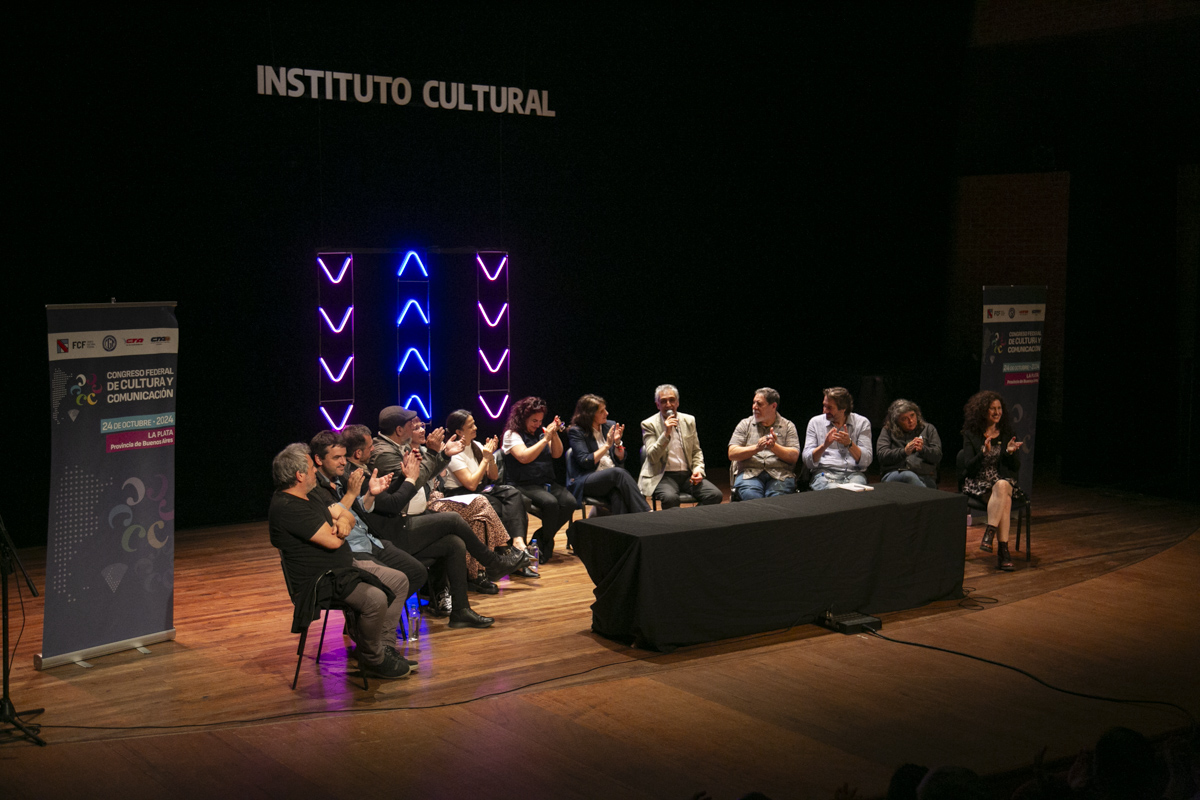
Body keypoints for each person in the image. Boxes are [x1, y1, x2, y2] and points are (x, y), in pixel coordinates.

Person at [364, 405, 530, 626]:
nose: (415, 427)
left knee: (454, 543)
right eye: (411, 424)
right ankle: (493, 562)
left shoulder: (396, 446)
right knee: (453, 519)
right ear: (399, 430)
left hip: (405, 520)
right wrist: (435, 453)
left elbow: (421, 476)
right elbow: (414, 481)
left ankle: (461, 611)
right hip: (393, 530)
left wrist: (441, 455)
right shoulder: (384, 453)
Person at [268, 443, 410, 679]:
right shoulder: (288, 507)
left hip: (343, 568)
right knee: (375, 599)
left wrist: (343, 521)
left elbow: (345, 514)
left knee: (398, 580)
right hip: (320, 580)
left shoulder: (310, 494)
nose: (315, 471)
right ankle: (374, 658)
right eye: (311, 468)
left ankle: (384, 648)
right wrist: (342, 523)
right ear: (299, 475)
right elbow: (334, 542)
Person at [502, 396, 579, 562]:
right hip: (522, 483)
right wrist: (545, 439)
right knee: (550, 503)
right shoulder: (512, 434)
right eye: (534, 421)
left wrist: (554, 434)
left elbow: (557, 454)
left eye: (540, 421)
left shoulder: (541, 431)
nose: (537, 424)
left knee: (570, 502)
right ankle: (543, 546)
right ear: (523, 418)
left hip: (544, 481)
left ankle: (540, 539)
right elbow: (524, 457)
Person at [958, 390, 1024, 571]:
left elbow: (1015, 467)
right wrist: (982, 453)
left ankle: (990, 532)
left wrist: (1009, 452)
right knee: (1005, 500)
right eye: (992, 409)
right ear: (983, 411)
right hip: (979, 483)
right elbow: (968, 467)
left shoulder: (1007, 433)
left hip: (1002, 481)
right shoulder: (971, 434)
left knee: (1002, 485)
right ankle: (1004, 553)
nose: (997, 412)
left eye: (999, 408)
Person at [638, 384, 722, 508]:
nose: (668, 404)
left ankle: (692, 519)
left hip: (687, 475)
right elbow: (652, 457)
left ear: (677, 402)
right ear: (657, 405)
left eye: (672, 400)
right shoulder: (648, 424)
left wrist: (698, 469)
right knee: (670, 498)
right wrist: (666, 433)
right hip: (662, 475)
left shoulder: (689, 420)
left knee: (715, 495)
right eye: (663, 401)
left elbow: (696, 451)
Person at [566, 394, 650, 515]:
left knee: (618, 495)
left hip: (610, 479)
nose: (607, 413)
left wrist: (617, 443)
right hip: (586, 479)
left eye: (605, 409)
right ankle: (646, 513)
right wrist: (606, 445)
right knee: (618, 473)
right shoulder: (577, 432)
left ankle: (620, 526)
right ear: (589, 414)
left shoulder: (609, 425)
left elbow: (620, 458)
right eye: (601, 411)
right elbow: (585, 461)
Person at [727, 387, 801, 499]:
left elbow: (794, 456)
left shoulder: (788, 426)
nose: (754, 407)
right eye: (753, 403)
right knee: (753, 499)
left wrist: (774, 447)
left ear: (773, 406)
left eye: (759, 404)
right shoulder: (745, 424)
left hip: (780, 475)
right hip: (750, 474)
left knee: (776, 499)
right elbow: (732, 453)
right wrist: (756, 448)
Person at [802, 387, 873, 490]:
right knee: (834, 491)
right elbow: (807, 460)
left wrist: (849, 444)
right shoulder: (815, 423)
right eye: (824, 405)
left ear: (843, 408)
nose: (824, 411)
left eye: (829, 408)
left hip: (854, 474)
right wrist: (824, 446)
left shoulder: (862, 423)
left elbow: (867, 460)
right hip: (824, 473)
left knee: (855, 494)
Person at [876, 399, 943, 490]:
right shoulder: (888, 431)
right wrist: (904, 452)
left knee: (924, 483)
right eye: (904, 419)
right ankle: (930, 497)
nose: (911, 421)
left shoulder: (928, 429)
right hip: (895, 474)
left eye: (912, 415)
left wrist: (923, 449)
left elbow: (937, 456)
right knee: (908, 476)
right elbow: (882, 456)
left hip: (924, 475)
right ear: (896, 422)